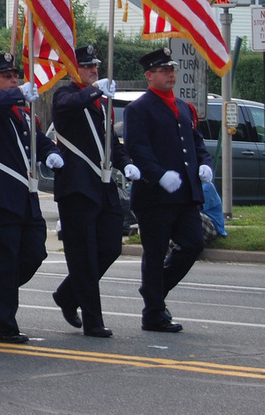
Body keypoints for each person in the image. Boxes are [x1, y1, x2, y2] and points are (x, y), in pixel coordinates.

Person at [0, 52, 62, 343]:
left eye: (16, 76)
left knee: (34, 253)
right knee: (3, 263)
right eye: (6, 76)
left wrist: (52, 153)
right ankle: (3, 325)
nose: (14, 81)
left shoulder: (20, 113)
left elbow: (38, 139)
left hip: (24, 197)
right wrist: (15, 94)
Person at [51, 45, 138, 338]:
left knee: (111, 246)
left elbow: (110, 141)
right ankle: (93, 320)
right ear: (73, 70)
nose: (93, 71)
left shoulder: (101, 103)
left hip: (102, 187)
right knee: (83, 255)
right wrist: (95, 90)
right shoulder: (65, 95)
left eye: (95, 66)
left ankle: (67, 293)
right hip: (77, 187)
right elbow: (69, 106)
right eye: (87, 67)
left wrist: (125, 164)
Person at [124, 47, 211, 333]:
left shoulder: (184, 107)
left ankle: (154, 292)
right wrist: (159, 175)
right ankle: (153, 313)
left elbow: (195, 143)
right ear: (149, 76)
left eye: (172, 69)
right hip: (155, 196)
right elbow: (137, 147)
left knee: (193, 244)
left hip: (185, 194)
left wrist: (204, 164)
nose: (170, 74)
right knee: (156, 251)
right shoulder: (138, 108)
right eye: (164, 70)